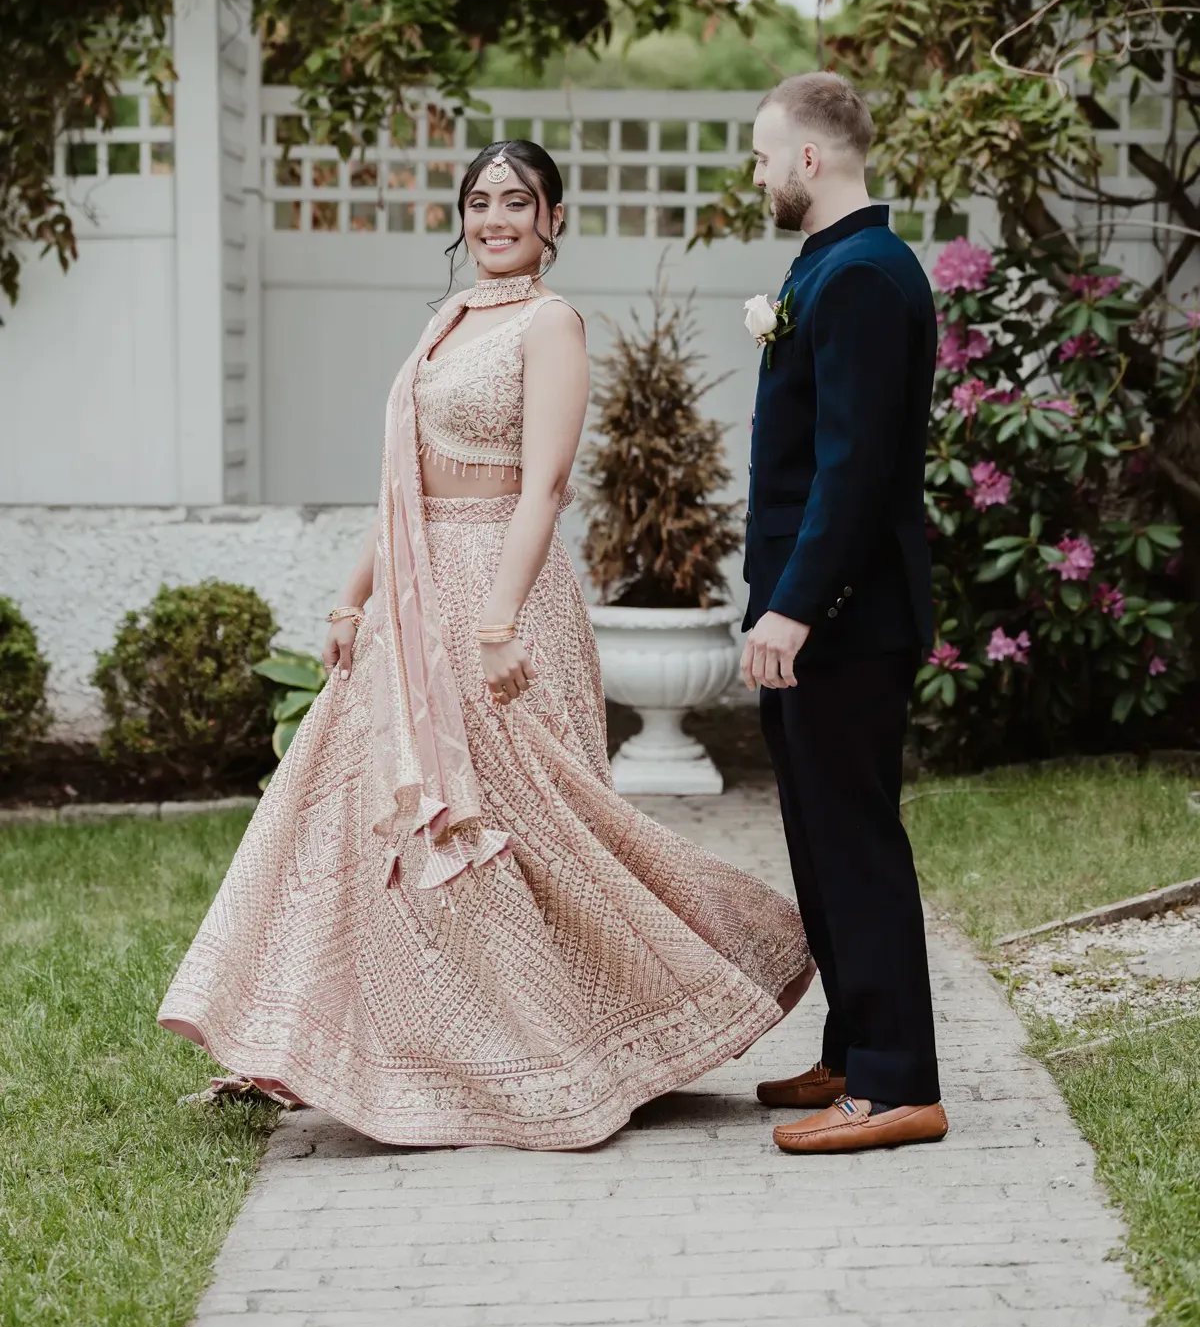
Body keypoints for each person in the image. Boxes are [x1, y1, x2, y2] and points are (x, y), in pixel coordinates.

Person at [159, 138, 811, 1150]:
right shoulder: (448, 320)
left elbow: (543, 488)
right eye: (480, 201)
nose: (495, 218)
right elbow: (401, 485)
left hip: (502, 588)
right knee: (358, 821)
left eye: (517, 201)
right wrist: (349, 601)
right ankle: (320, 1052)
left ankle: (590, 1037)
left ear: (554, 219)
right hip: (413, 595)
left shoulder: (552, 325)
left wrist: (498, 624)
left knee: (531, 821)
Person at [740, 72, 948, 1155]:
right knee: (822, 843)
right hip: (819, 611)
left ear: (810, 158)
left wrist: (794, 608)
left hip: (844, 618)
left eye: (764, 154)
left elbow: (854, 469)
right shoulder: (832, 263)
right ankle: (854, 1048)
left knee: (855, 843)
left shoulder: (864, 274)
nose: (758, 173)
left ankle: (900, 1081)